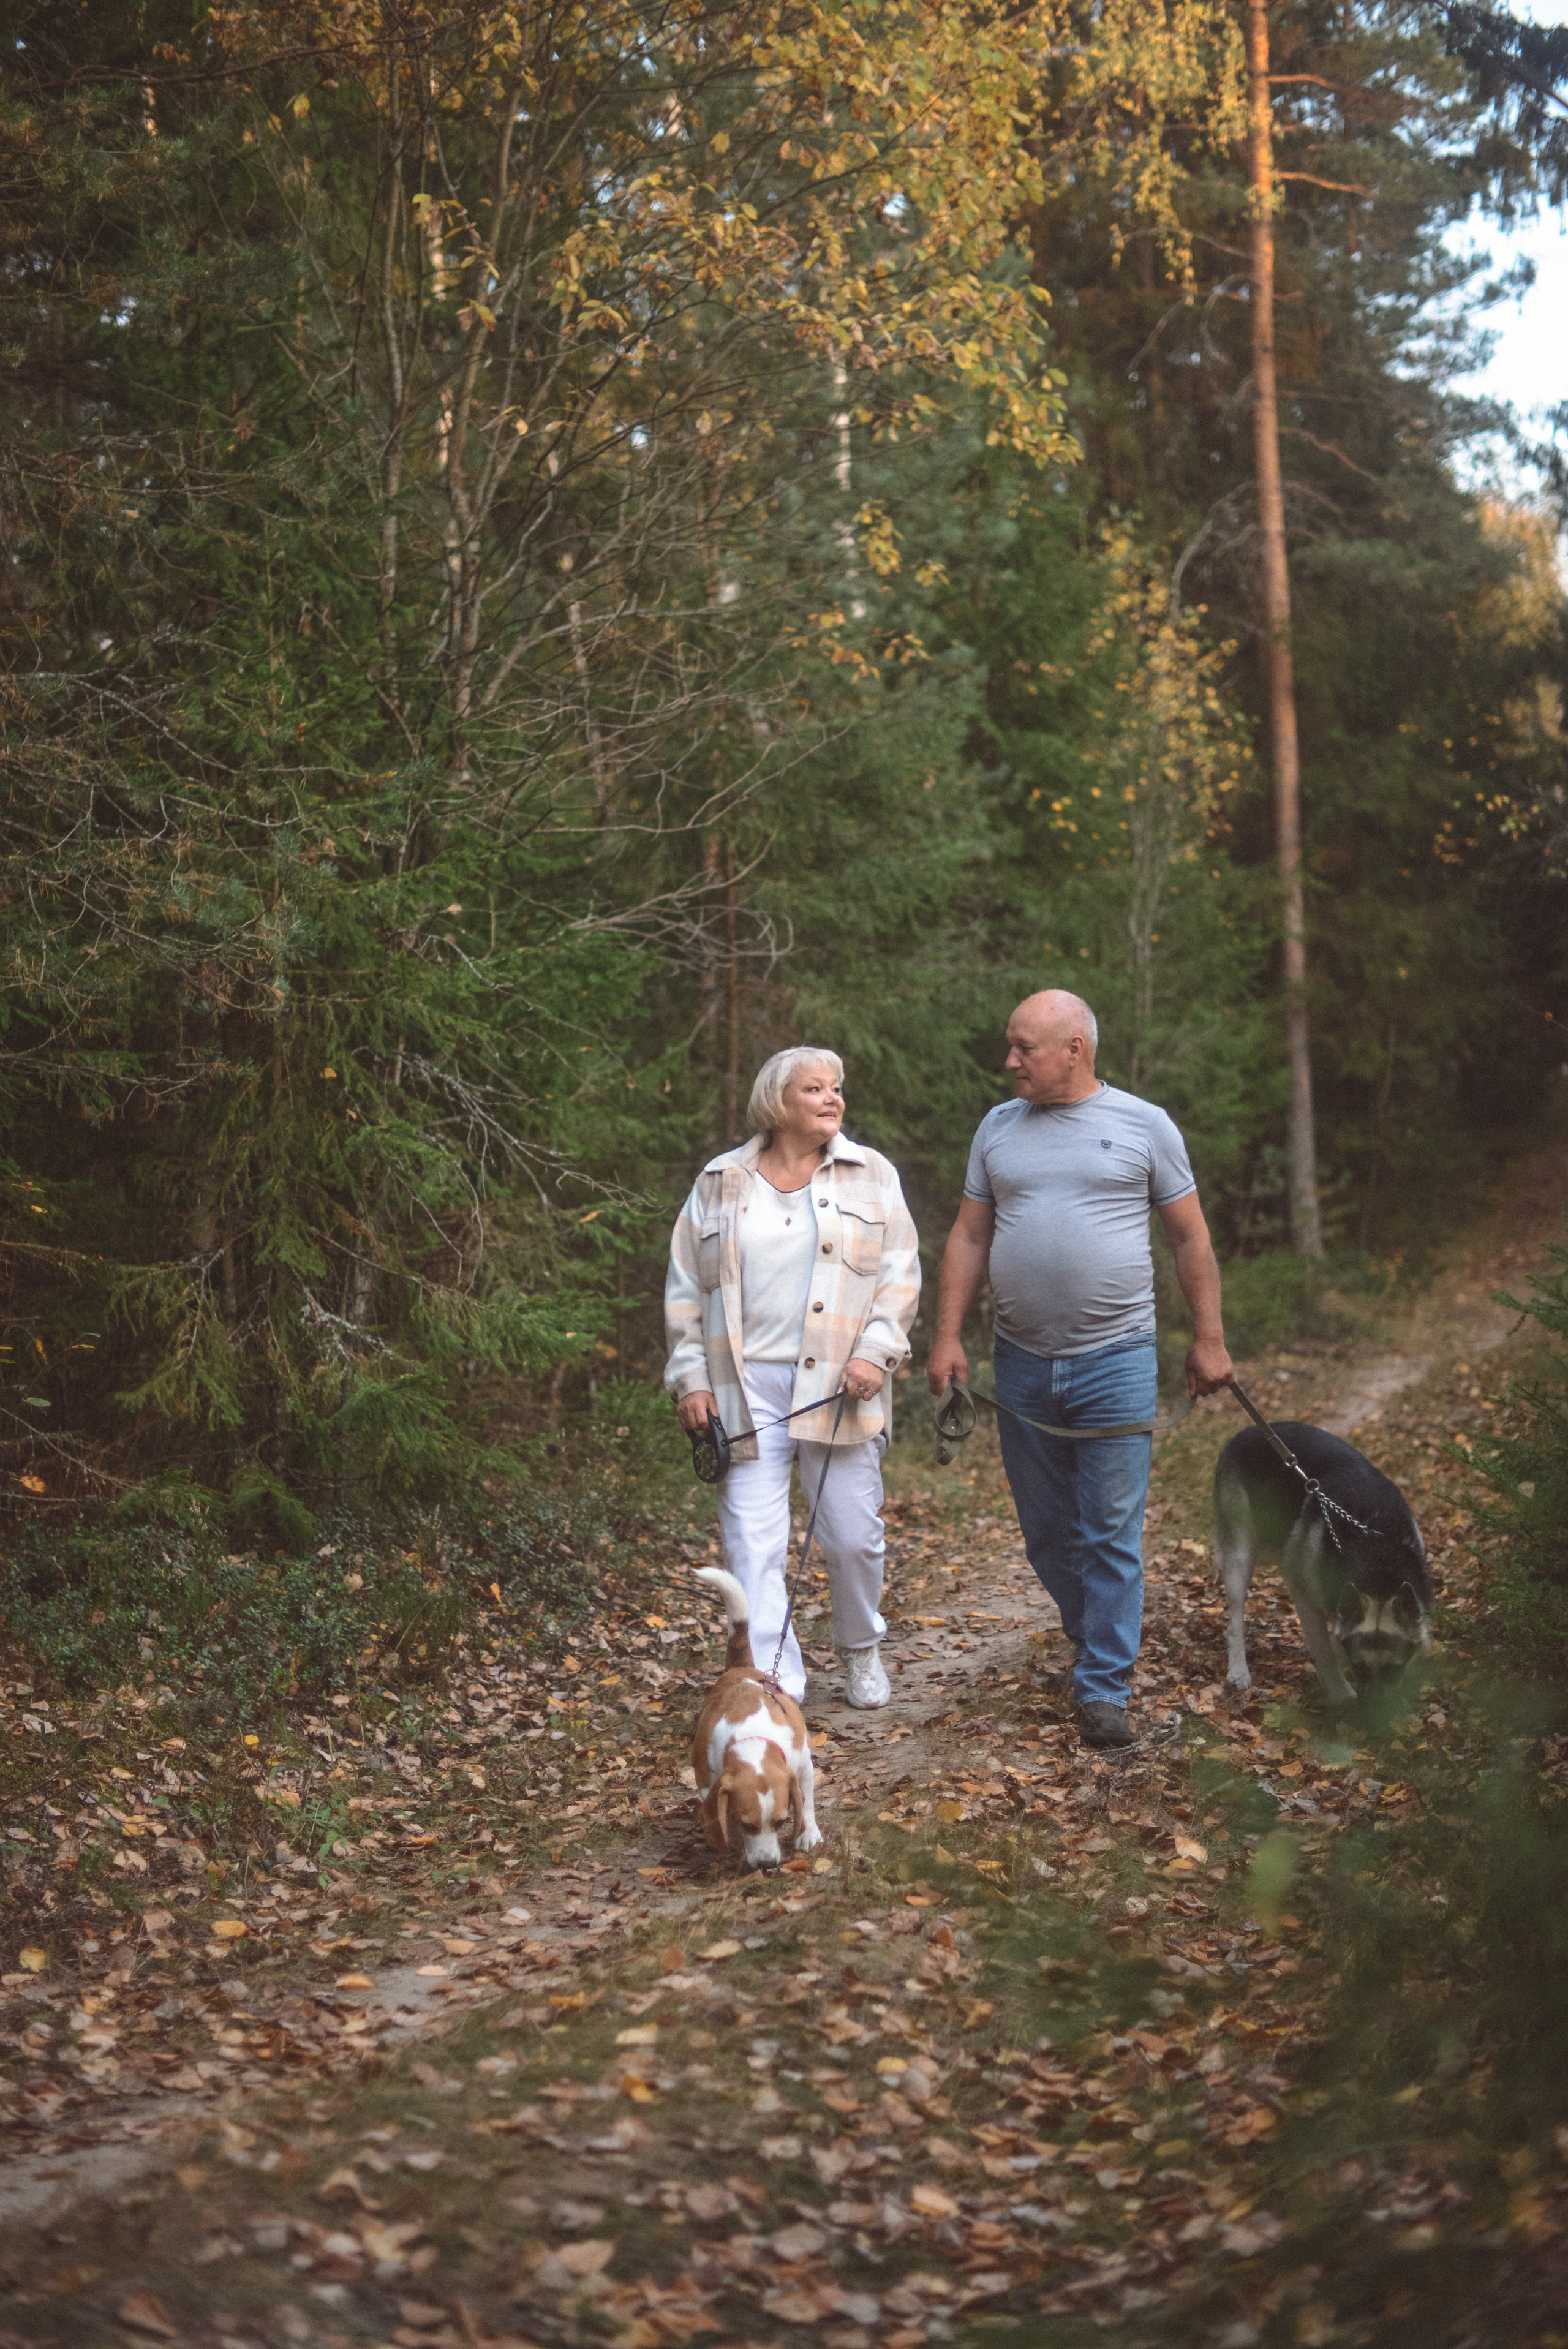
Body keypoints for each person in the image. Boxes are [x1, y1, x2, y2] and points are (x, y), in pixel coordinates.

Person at [927, 990, 1232, 1747]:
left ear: (1075, 1048)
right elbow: (969, 1237)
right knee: (1044, 1532)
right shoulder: (996, 1128)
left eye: (1024, 1047)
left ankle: (1102, 1685)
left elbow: (1189, 1239)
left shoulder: (1143, 1125)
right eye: (1010, 1044)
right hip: (1022, 1361)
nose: (1009, 1061)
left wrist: (1208, 1339)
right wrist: (947, 1336)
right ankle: (1094, 1626)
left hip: (1119, 1359)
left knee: (1108, 1530)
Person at [665, 1049, 921, 1710]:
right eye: (815, 1089)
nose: (832, 1098)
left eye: (836, 1088)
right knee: (752, 1545)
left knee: (851, 1536)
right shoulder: (720, 1180)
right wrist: (689, 1377)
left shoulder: (872, 1175)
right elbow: (685, 1288)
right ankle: (777, 1685)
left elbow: (898, 1277)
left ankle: (860, 1646)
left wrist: (876, 1352)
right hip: (742, 1389)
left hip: (842, 1384)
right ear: (779, 1103)